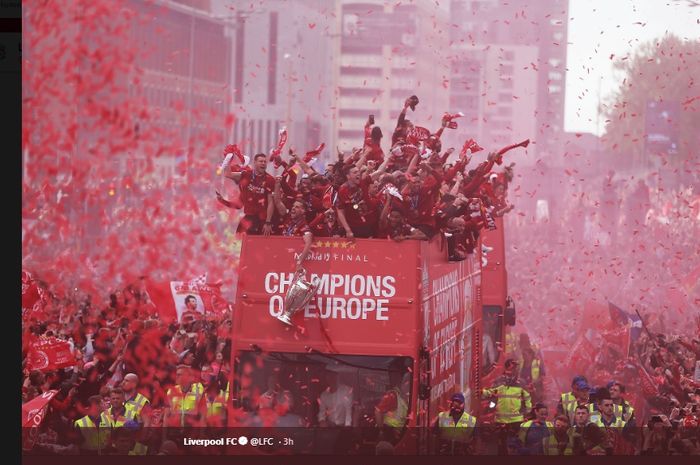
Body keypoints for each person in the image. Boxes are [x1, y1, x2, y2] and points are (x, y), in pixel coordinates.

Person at [481, 358, 532, 455]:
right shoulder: (499, 381)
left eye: (515, 368)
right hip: (500, 420)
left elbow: (528, 398)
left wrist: (527, 413)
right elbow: (490, 392)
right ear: (506, 368)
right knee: (501, 445)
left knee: (515, 445)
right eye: (511, 367)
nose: (513, 370)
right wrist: (481, 392)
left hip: (516, 420)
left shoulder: (521, 383)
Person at [224, 153, 276, 235]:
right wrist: (227, 161)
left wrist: (268, 222)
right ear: (254, 162)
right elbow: (228, 174)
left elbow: (271, 202)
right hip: (248, 217)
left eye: (265, 162)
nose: (263, 163)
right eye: (261, 161)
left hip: (262, 220)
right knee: (239, 242)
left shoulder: (270, 180)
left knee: (258, 246)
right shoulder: (246, 174)